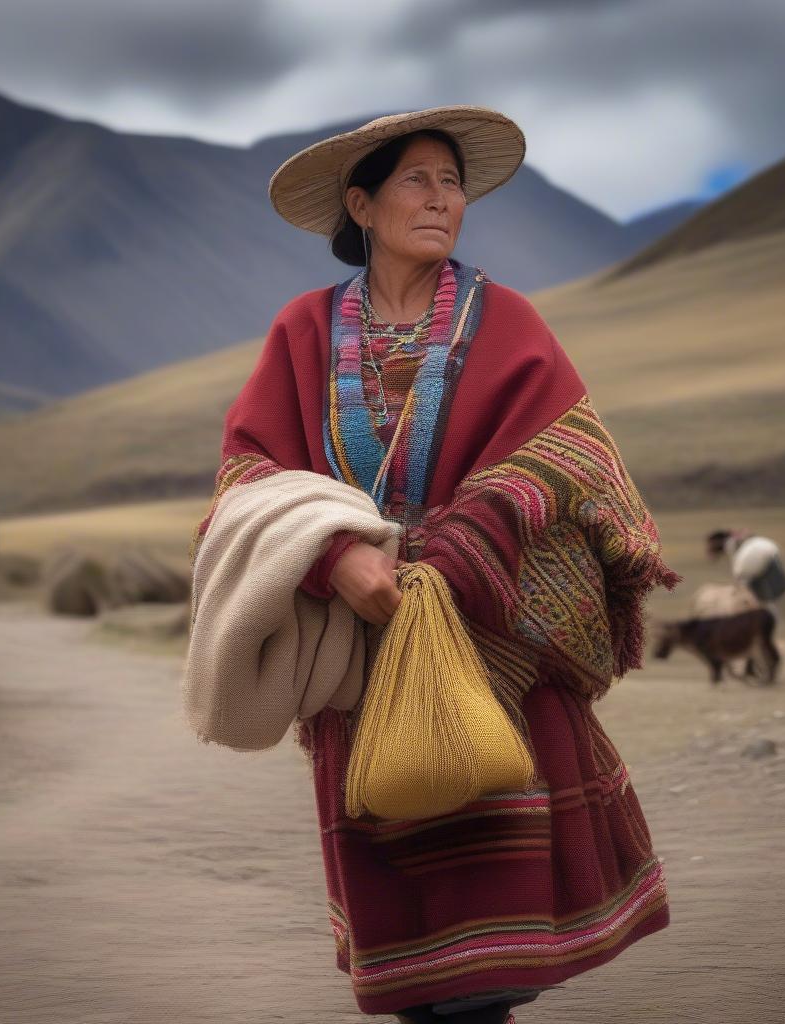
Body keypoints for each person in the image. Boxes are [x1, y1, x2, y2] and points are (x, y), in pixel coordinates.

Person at [190, 106, 682, 1023]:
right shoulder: (302, 332)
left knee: (488, 971)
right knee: (412, 952)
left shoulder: (510, 321)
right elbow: (247, 475)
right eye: (417, 179)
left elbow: (569, 458)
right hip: (363, 664)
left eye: (453, 182)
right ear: (362, 205)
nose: (442, 198)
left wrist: (455, 559)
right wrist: (335, 556)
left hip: (490, 647)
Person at [705, 527, 785, 622]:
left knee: (750, 595)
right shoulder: (739, 537)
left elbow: (739, 567)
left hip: (753, 558)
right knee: (767, 596)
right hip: (770, 548)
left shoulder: (730, 544)